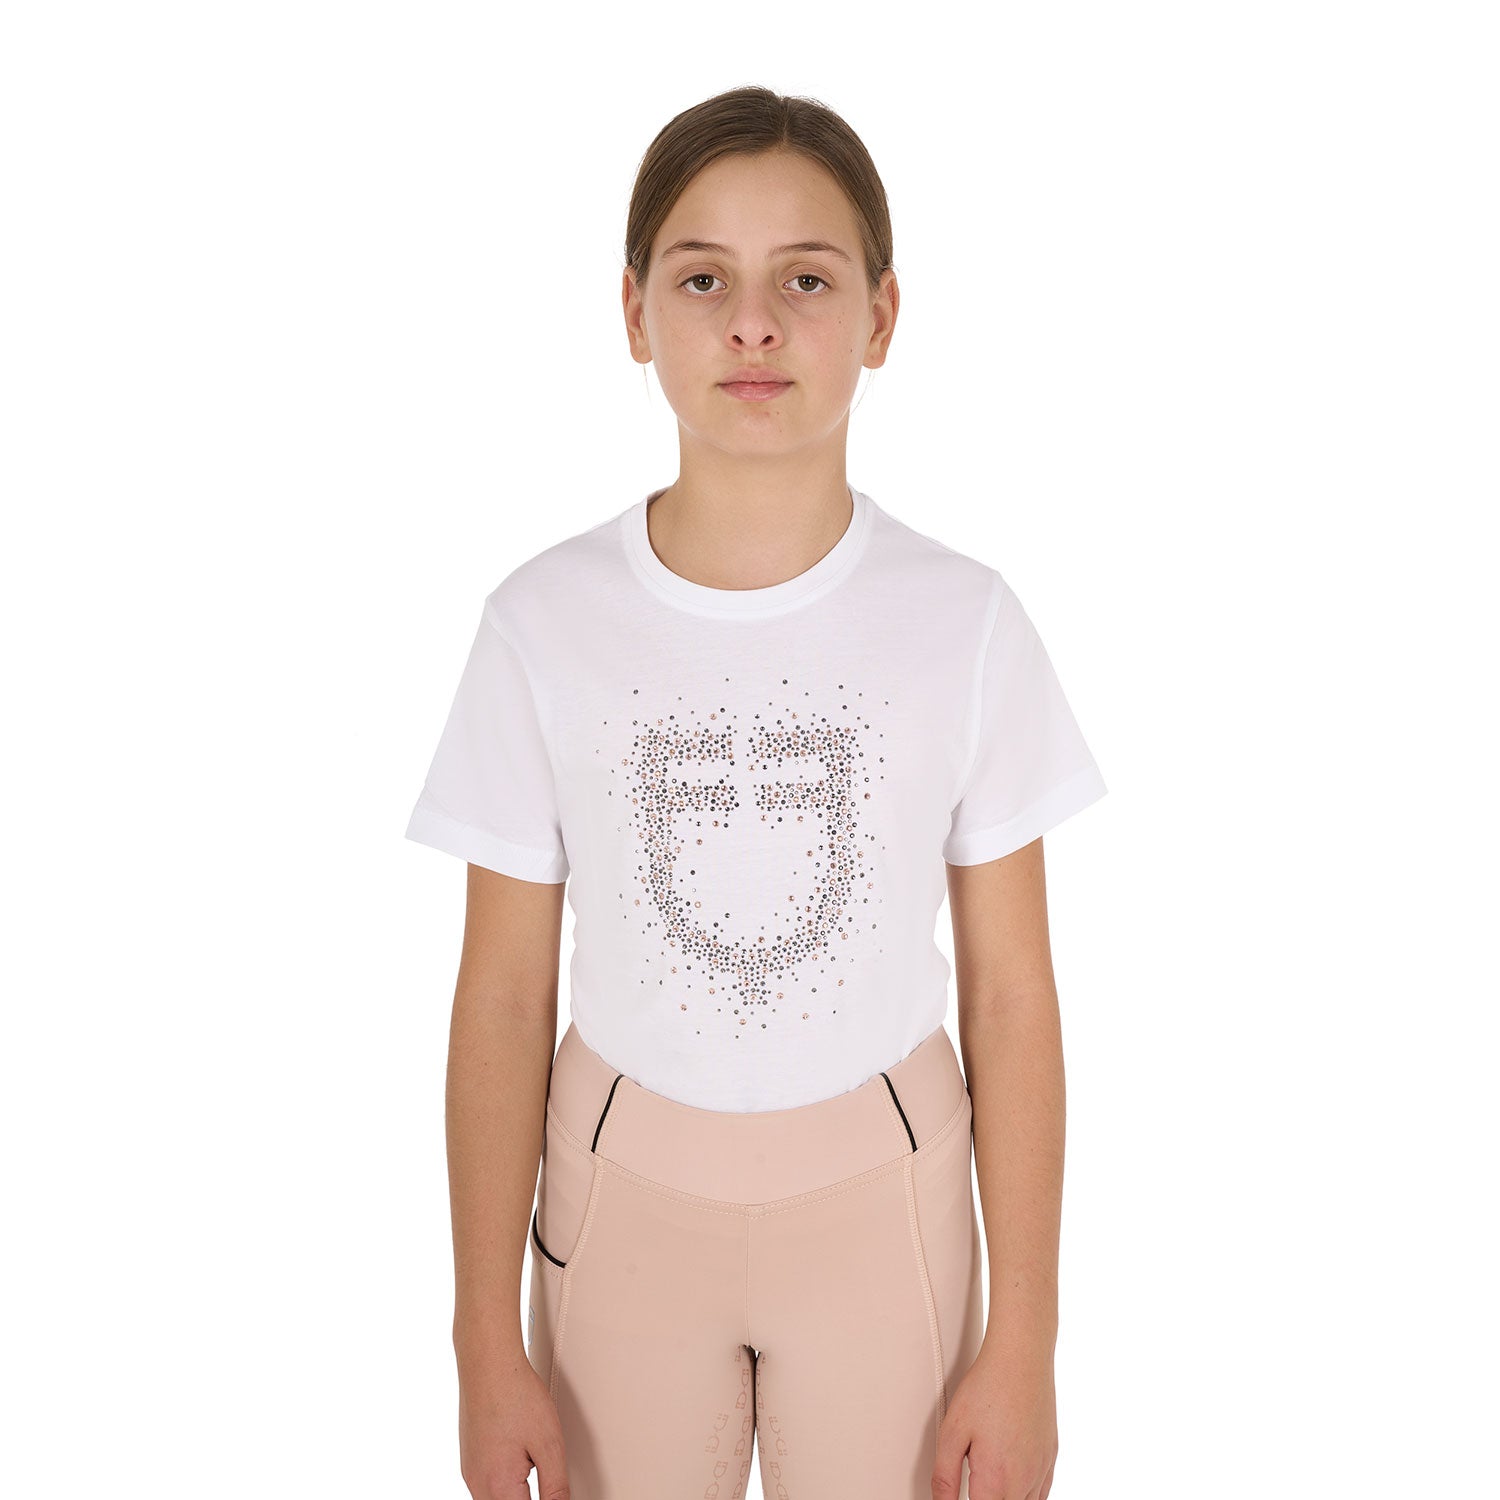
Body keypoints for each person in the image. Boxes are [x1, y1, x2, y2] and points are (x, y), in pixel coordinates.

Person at [404, 84, 1107, 1500]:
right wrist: (483, 1338)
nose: (753, 325)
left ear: (883, 316)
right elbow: (502, 996)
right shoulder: (541, 623)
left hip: (886, 1199)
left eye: (806, 279)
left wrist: (1026, 1342)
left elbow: (1014, 995)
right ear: (633, 311)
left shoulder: (965, 622)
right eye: (702, 278)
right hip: (618, 1201)